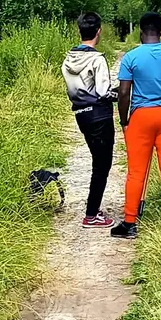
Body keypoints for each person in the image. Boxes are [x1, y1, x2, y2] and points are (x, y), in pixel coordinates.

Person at [111, 11, 161, 239]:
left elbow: (124, 92)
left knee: (136, 172)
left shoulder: (131, 57)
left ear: (142, 31)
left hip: (141, 117)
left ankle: (129, 223)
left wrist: (124, 120)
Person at [62, 12, 117, 228]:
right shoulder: (97, 59)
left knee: (97, 161)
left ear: (79, 31)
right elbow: (103, 91)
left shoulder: (68, 59)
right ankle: (91, 214)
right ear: (98, 32)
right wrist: (121, 94)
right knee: (102, 164)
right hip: (100, 116)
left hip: (81, 116)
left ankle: (93, 209)